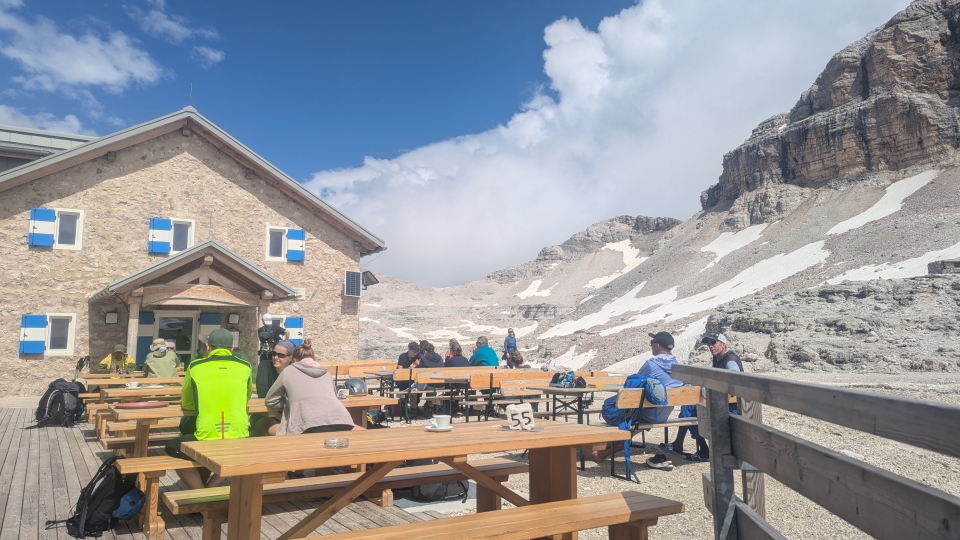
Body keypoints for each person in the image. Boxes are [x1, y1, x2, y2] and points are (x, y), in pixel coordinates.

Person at [166, 329, 252, 489]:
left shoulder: (196, 365)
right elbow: (246, 396)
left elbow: (187, 402)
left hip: (207, 435)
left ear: (208, 346)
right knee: (239, 451)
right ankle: (212, 485)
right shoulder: (245, 366)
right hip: (240, 434)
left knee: (172, 447)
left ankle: (200, 491)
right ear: (232, 347)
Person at [591, 331, 683, 466]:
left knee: (618, 411)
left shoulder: (651, 365)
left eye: (652, 343)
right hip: (664, 412)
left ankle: (600, 451)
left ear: (657, 346)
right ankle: (601, 452)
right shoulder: (677, 365)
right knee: (632, 419)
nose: (650, 345)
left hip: (649, 413)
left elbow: (633, 385)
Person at [667, 332, 743, 462]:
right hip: (723, 401)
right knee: (688, 407)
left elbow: (735, 378)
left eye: (713, 343)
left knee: (690, 409)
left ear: (723, 344)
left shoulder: (730, 360)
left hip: (731, 406)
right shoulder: (718, 358)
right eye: (709, 344)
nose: (710, 346)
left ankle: (700, 450)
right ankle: (680, 444)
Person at [260, 339, 357, 436]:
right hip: (343, 420)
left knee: (264, 425)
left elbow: (270, 401)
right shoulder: (327, 373)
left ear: (293, 360)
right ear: (313, 358)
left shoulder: (288, 371)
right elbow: (334, 396)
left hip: (308, 424)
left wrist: (291, 402)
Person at [256, 314, 289, 396]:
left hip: (263, 353)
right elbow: (287, 332)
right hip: (274, 354)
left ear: (263, 320)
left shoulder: (260, 330)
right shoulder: (276, 327)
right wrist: (286, 342)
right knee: (275, 371)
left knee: (264, 371)